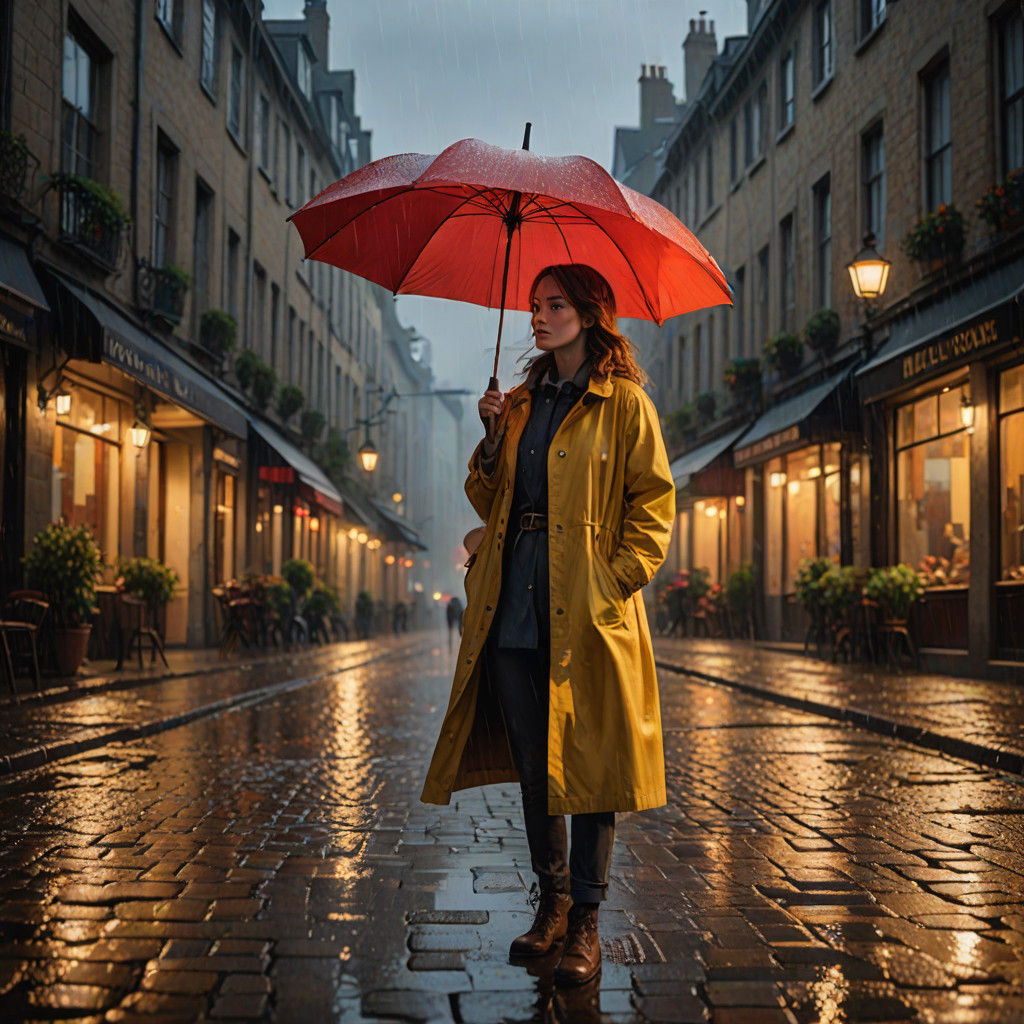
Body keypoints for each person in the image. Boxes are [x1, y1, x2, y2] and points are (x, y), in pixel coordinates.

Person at [421, 264, 675, 986]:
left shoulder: (623, 403)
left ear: (590, 314)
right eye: (533, 305)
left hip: (587, 607)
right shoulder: (524, 401)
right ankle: (553, 905)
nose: (537, 316)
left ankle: (588, 922)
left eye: (553, 305)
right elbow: (486, 498)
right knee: (537, 766)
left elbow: (652, 508)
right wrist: (493, 435)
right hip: (516, 603)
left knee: (592, 769)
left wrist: (613, 581)